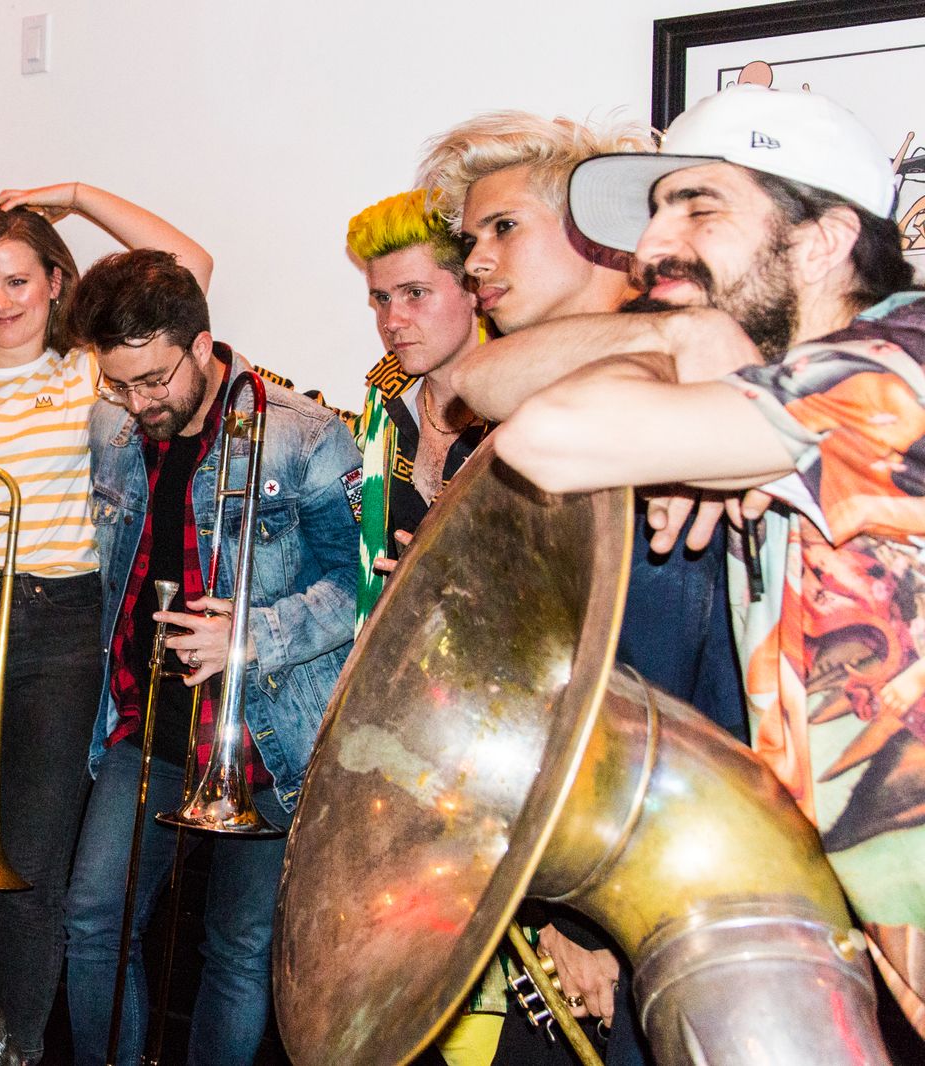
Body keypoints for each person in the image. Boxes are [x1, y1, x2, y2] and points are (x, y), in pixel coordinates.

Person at [487, 83, 925, 1045]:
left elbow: (548, 437)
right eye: (655, 212)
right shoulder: (789, 397)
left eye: (698, 207)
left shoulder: (898, 363)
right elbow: (483, 383)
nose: (651, 245)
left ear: (823, 240)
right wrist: (690, 357)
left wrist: (680, 342)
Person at [419, 110, 745, 1066]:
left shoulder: (680, 381)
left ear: (599, 234)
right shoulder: (580, 393)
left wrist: (593, 913)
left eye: (503, 227)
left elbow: (672, 691)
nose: (477, 259)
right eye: (470, 239)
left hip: (670, 884)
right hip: (575, 875)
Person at [0, 183, 212, 1063]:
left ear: (57, 282)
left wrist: (76, 197)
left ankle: (9, 1056)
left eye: (18, 280)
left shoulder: (87, 368)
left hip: (60, 634)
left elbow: (190, 271)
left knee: (32, 882)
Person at [62, 248, 361, 1066]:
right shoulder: (114, 428)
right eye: (118, 384)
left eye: (154, 380)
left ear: (201, 346)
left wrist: (253, 632)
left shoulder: (304, 436)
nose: (138, 403)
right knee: (92, 921)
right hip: (148, 727)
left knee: (238, 949)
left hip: (266, 736)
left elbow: (359, 586)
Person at [342, 188, 502, 1066]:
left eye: (414, 294)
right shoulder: (383, 414)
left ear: (474, 289)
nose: (392, 319)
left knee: (489, 976)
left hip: (501, 732)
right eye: (379, 298)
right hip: (404, 733)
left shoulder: (528, 414)